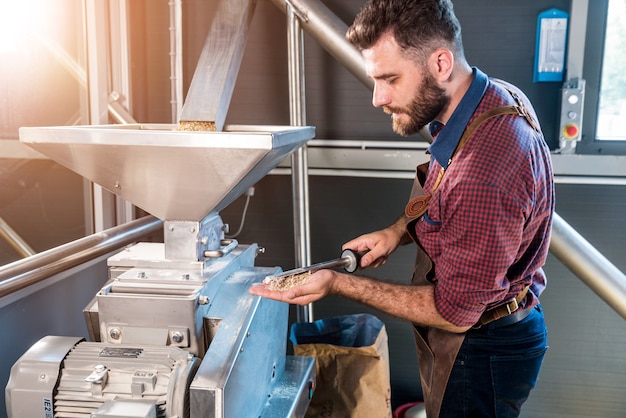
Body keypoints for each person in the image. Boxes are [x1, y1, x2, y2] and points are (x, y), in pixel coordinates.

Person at [250, 0, 554, 416]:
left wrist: (337, 284)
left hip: (483, 348)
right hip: (489, 324)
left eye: (390, 79)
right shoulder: (485, 100)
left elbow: (455, 311)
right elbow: (443, 188)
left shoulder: (487, 169)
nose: (378, 98)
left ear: (441, 63)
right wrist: (397, 231)